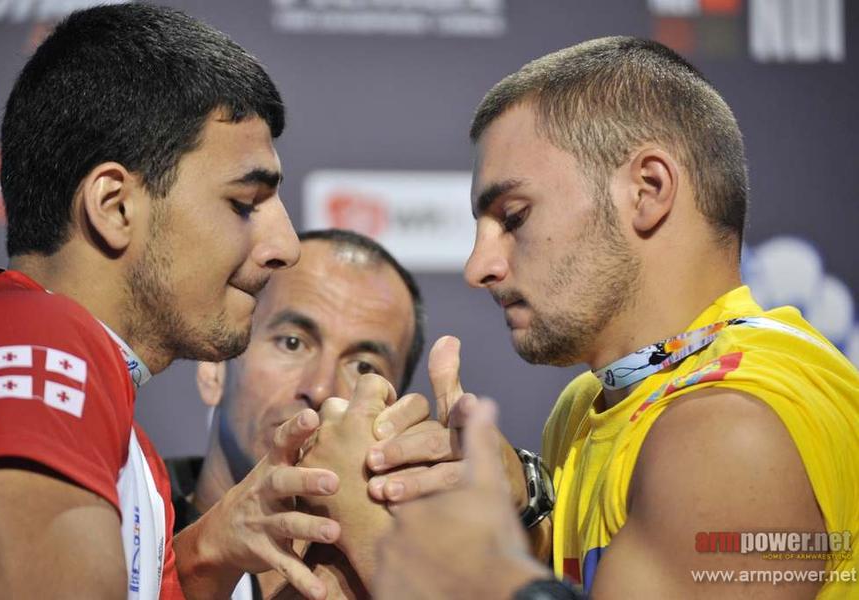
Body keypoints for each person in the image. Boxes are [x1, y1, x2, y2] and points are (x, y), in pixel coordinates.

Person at [366, 36, 859, 598]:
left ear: (647, 190)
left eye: (515, 216)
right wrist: (523, 506)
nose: (479, 266)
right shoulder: (591, 404)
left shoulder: (729, 431)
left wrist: (427, 556)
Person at [0, 5, 343, 600]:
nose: (286, 246)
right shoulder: (35, 337)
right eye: (245, 202)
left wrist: (203, 557)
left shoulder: (131, 449)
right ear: (114, 206)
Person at [166, 228, 424, 599]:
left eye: (364, 367)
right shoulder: (127, 518)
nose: (320, 388)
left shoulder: (422, 573)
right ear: (214, 367)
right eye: (292, 343)